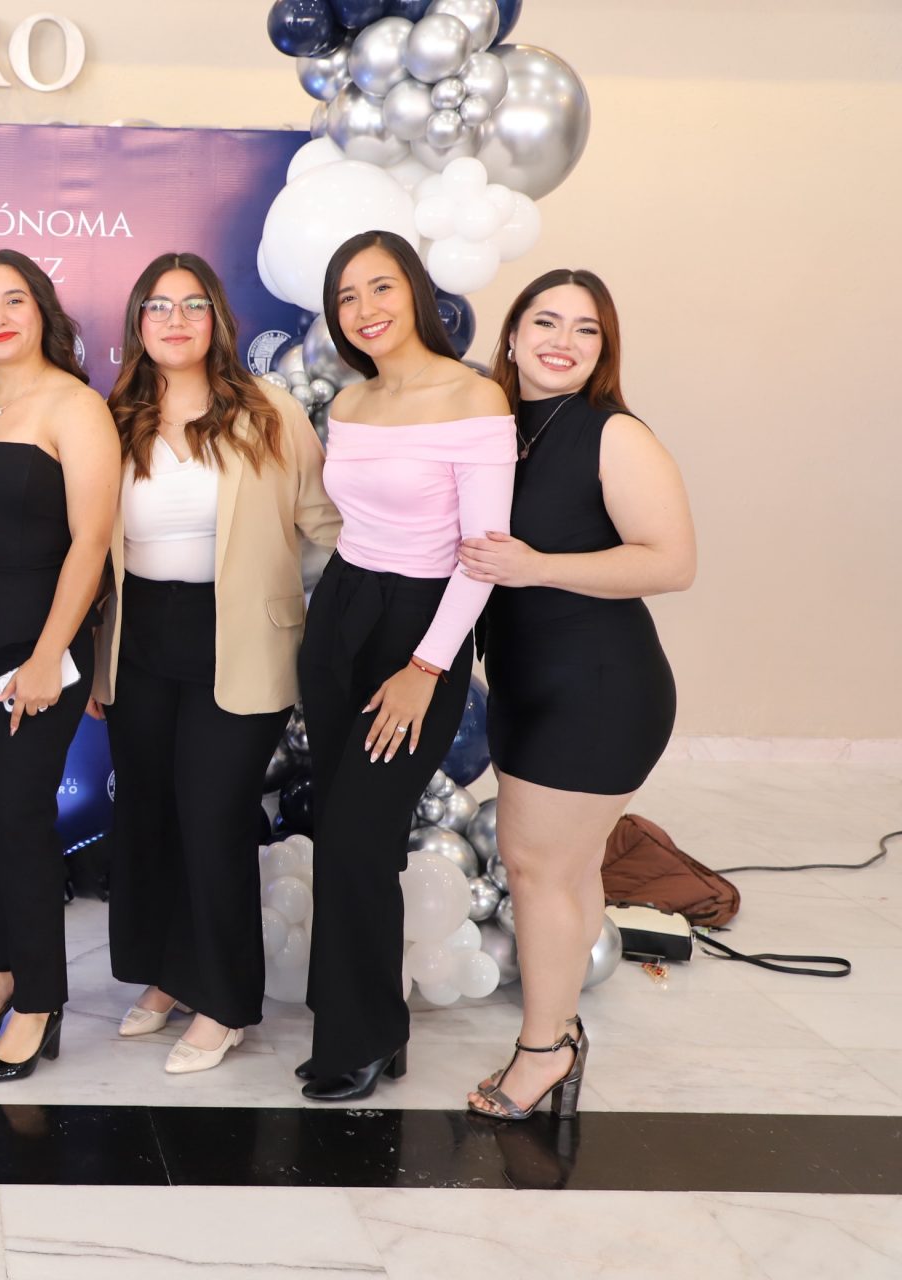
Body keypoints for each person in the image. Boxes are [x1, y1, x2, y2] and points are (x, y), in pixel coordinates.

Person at [90, 252, 341, 1075]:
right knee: (151, 817)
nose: (176, 319)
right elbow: (90, 546)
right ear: (138, 322)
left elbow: (326, 521)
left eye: (193, 304)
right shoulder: (114, 416)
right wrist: (90, 659)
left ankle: (226, 1002)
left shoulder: (268, 410)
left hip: (241, 640)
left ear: (218, 320)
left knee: (212, 816)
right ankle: (169, 974)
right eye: (158, 306)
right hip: (138, 640)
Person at [459, 270, 694, 1120]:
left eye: (585, 329)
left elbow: (672, 561)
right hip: (528, 680)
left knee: (537, 870)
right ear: (512, 335)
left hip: (597, 684)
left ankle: (544, 1051)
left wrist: (536, 566)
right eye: (546, 322)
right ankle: (560, 1027)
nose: (563, 341)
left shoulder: (613, 433)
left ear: (605, 347)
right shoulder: (497, 426)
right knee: (563, 867)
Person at [296, 230, 515, 1103]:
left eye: (380, 287)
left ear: (417, 292)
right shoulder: (351, 403)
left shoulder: (474, 397)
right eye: (346, 297)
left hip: (423, 627)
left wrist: (427, 665)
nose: (364, 310)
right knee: (348, 832)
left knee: (359, 834)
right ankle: (363, 1025)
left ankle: (363, 1036)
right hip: (342, 612)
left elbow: (483, 554)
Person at [0, 249, 119, 1081]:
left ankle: (40, 1003)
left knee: (21, 816)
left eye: (13, 300)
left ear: (42, 311)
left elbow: (91, 542)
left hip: (40, 643)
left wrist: (47, 658)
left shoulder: (77, 406)